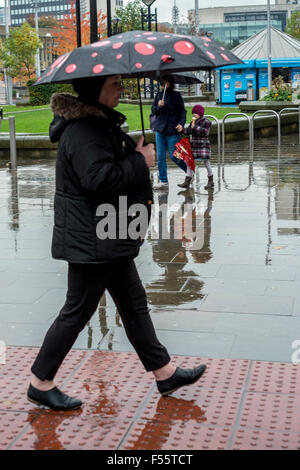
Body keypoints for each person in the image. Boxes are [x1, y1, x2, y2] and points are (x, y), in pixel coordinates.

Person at [27, 74, 206, 411]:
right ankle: (40, 381)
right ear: (96, 90)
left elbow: (107, 169)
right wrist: (141, 161)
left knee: (134, 303)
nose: (120, 88)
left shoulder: (97, 125)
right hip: (92, 239)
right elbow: (98, 179)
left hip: (108, 233)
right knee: (77, 310)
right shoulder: (83, 130)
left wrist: (134, 153)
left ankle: (164, 372)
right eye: (114, 84)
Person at [151, 76, 187, 190]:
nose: (163, 85)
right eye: (161, 83)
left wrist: (181, 123)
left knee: (174, 156)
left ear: (170, 83)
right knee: (160, 157)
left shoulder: (176, 96)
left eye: (165, 83)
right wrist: (158, 105)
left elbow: (183, 111)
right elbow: (154, 111)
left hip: (172, 130)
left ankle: (189, 171)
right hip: (160, 130)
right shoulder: (158, 95)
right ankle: (163, 181)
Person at [177, 105, 214, 190]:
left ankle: (210, 180)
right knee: (189, 162)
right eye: (193, 113)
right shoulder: (193, 121)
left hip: (203, 146)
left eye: (195, 113)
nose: (194, 114)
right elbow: (189, 131)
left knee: (206, 163)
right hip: (195, 146)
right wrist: (182, 130)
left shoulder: (206, 121)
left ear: (200, 113)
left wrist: (194, 126)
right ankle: (187, 180)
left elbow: (204, 132)